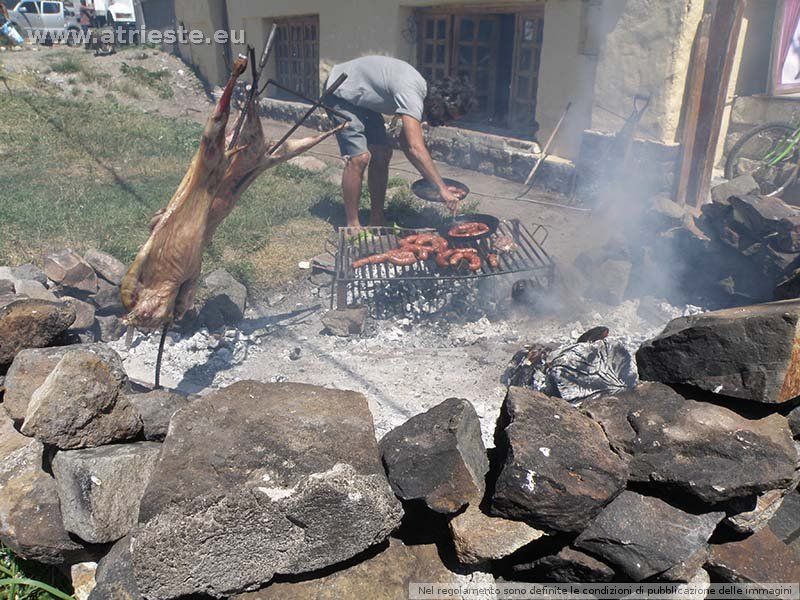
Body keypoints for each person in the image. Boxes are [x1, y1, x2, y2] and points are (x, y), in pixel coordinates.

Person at [325, 56, 476, 229]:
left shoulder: (418, 93)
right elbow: (415, 147)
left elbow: (405, 141)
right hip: (340, 91)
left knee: (382, 153)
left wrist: (435, 183)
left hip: (363, 102)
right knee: (359, 158)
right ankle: (352, 226)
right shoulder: (412, 93)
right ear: (441, 102)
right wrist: (442, 188)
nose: (445, 122)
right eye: (447, 116)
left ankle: (377, 220)